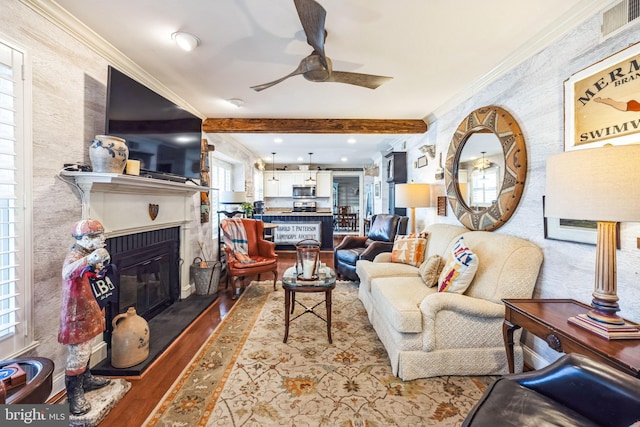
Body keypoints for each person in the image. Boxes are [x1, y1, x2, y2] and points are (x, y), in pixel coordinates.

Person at [58, 219, 111, 415]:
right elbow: (67, 273)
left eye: (101, 234)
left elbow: (96, 275)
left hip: (91, 307)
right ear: (84, 239)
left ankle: (86, 379)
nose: (102, 239)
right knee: (78, 353)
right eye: (97, 236)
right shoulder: (76, 255)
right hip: (77, 312)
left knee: (86, 347)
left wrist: (100, 263)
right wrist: (90, 259)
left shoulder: (89, 254)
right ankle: (74, 396)